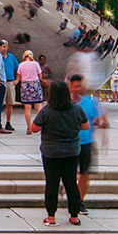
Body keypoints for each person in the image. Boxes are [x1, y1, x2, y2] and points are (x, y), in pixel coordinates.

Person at [31, 80, 89, 225]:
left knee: (52, 184)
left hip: (51, 153)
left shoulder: (47, 110)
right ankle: (74, 216)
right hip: (71, 151)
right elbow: (85, 126)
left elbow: (34, 128)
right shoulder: (76, 109)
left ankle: (51, 217)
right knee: (71, 183)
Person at [67, 72, 106, 202]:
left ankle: (79, 201)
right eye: (75, 86)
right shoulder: (65, 103)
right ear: (70, 87)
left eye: (80, 86)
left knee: (84, 174)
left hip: (86, 143)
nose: (78, 89)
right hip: (69, 143)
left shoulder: (91, 102)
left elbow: (99, 121)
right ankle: (71, 195)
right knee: (69, 174)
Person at [0, 40, 21, 132]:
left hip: (10, 82)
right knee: (0, 102)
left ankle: (8, 122)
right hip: (1, 82)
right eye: (2, 46)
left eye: (5, 46)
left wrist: (17, 79)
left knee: (10, 103)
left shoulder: (11, 57)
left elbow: (18, 68)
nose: (3, 48)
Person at [17, 50, 44, 128]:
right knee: (38, 107)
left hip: (25, 85)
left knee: (27, 108)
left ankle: (29, 127)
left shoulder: (21, 65)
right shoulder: (36, 64)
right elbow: (40, 77)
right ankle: (39, 126)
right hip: (35, 84)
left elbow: (20, 77)